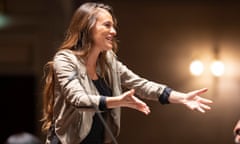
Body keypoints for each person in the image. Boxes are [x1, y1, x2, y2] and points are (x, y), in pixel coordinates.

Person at [41, 2, 213, 144]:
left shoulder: (108, 61)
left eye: (114, 26)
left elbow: (140, 84)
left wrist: (180, 97)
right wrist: (118, 101)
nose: (114, 32)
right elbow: (78, 99)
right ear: (88, 26)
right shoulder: (64, 60)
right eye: (107, 25)